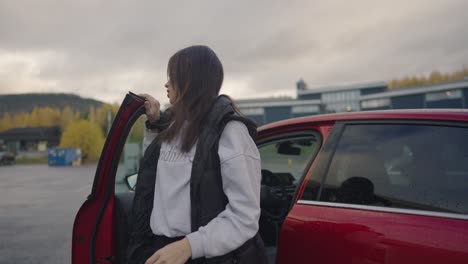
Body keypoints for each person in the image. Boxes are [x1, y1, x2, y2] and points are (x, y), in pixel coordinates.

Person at [126, 45, 268, 264]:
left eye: (172, 76)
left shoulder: (230, 132)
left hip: (200, 254)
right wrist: (154, 123)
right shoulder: (174, 125)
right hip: (160, 249)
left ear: (191, 81)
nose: (166, 83)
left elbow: (245, 217)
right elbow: (154, 175)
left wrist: (189, 246)